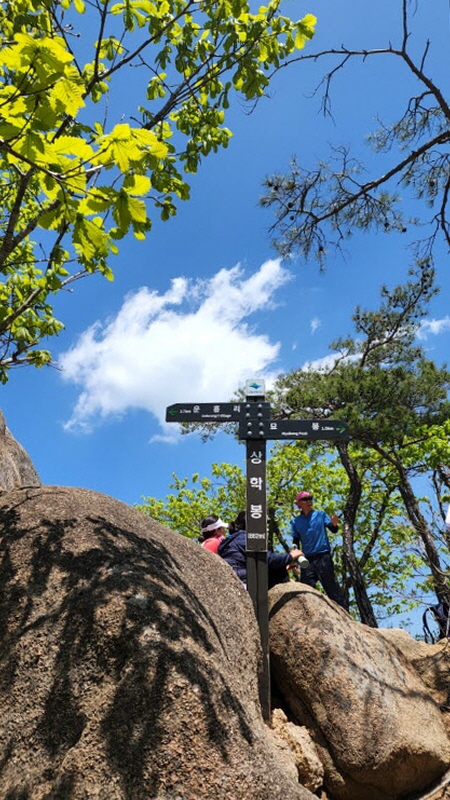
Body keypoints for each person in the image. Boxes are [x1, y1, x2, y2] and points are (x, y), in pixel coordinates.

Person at [291, 490, 348, 610]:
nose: (309, 501)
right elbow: (295, 542)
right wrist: (294, 561)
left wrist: (334, 524)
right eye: (305, 499)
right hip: (307, 560)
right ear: (299, 503)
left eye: (310, 498)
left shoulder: (320, 515)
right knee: (305, 591)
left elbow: (333, 529)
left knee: (332, 589)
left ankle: (345, 615)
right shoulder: (296, 521)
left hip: (323, 557)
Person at [219, 511, 304, 589]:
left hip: (237, 579)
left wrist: (285, 565)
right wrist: (291, 556)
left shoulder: (235, 539)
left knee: (279, 567)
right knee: (278, 569)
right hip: (244, 583)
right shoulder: (244, 539)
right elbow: (266, 559)